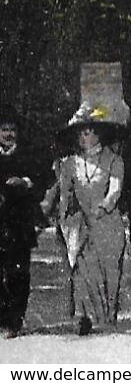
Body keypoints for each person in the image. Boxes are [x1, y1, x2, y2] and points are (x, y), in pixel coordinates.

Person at [41, 102, 131, 336]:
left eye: (88, 132)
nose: (84, 137)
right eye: (80, 133)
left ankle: (107, 315)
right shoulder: (70, 163)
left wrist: (105, 206)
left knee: (108, 272)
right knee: (81, 270)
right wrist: (62, 216)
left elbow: (115, 189)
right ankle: (83, 315)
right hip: (81, 225)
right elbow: (65, 194)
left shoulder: (114, 160)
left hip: (108, 224)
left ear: (99, 134)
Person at [0, 106, 47, 337]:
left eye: (11, 130)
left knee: (18, 271)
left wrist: (25, 182)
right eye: (3, 130)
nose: (8, 134)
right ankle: (2, 317)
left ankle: (15, 320)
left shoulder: (28, 155)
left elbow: (43, 179)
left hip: (20, 222)